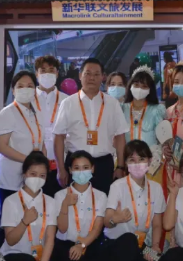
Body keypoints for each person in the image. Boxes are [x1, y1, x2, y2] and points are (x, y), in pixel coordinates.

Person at [101, 140, 166, 261]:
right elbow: (106, 221)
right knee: (129, 239)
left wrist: (155, 246)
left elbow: (157, 224)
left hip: (139, 246)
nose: (137, 164)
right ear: (126, 163)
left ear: (150, 161)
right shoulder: (118, 186)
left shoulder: (156, 189)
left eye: (141, 159)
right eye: (132, 160)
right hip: (114, 244)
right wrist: (116, 218)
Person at [53, 58, 128, 195]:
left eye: (96, 74)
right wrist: (60, 169)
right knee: (75, 204)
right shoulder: (68, 103)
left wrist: (121, 166)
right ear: (80, 75)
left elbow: (120, 136)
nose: (92, 78)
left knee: (104, 203)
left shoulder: (112, 104)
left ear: (103, 77)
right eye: (87, 73)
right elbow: (58, 136)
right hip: (76, 165)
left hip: (104, 165)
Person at [0, 152, 59, 261]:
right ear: (24, 174)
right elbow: (10, 240)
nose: (37, 179)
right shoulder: (11, 201)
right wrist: (24, 221)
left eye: (42, 175)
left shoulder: (50, 202)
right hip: (13, 256)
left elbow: (50, 238)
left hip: (37, 257)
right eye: (33, 174)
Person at [53, 150, 108, 261]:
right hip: (65, 246)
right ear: (70, 170)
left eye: (85, 167)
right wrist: (65, 205)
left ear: (92, 169)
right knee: (73, 259)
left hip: (88, 244)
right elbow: (62, 228)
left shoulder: (100, 196)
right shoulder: (60, 195)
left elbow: (97, 228)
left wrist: (82, 245)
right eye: (76, 168)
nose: (81, 172)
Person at [0, 71, 45, 249]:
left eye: (30, 86)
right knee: (8, 223)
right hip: (11, 178)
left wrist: (42, 164)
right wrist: (29, 161)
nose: (26, 89)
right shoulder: (8, 112)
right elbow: (1, 146)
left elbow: (40, 142)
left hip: (33, 178)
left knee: (30, 219)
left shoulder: (37, 112)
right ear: (13, 90)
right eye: (21, 86)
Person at [34, 56, 69, 197]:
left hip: (61, 165)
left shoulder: (67, 100)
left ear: (57, 73)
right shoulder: (27, 99)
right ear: (36, 74)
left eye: (51, 70)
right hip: (34, 165)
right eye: (43, 71)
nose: (47, 74)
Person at [122, 66, 167, 147]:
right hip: (127, 153)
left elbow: (163, 137)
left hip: (150, 153)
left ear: (150, 90)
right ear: (131, 86)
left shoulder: (156, 110)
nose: (139, 89)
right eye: (136, 85)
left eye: (144, 86)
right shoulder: (122, 108)